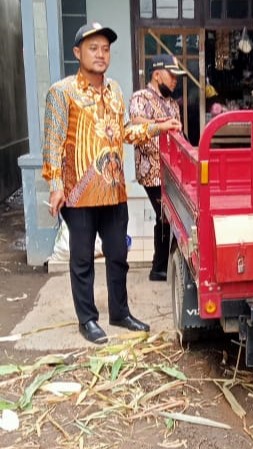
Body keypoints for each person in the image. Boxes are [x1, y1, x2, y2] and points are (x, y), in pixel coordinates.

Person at [42, 23, 181, 344]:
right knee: (82, 260)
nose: (101, 54)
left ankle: (120, 313)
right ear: (78, 53)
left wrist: (160, 127)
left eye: (105, 48)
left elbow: (123, 132)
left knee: (118, 256)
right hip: (79, 194)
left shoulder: (116, 91)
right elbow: (52, 141)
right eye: (93, 48)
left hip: (115, 191)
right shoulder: (62, 92)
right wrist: (55, 185)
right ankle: (87, 319)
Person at [129, 54, 185, 282]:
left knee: (166, 216)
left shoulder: (171, 103)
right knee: (164, 216)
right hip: (152, 172)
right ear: (156, 74)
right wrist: (161, 126)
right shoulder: (140, 97)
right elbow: (135, 123)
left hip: (171, 171)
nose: (175, 81)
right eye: (171, 76)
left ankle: (160, 265)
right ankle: (158, 267)